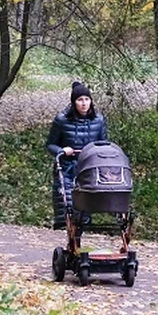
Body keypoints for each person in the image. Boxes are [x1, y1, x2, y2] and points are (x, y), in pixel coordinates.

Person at [46, 81, 108, 229]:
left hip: (88, 168)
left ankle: (80, 236)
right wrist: (62, 151)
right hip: (67, 167)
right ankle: (67, 236)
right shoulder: (61, 120)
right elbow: (50, 145)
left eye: (86, 99)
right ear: (74, 102)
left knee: (85, 205)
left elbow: (104, 144)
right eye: (80, 100)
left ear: (91, 101)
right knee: (66, 204)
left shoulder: (98, 120)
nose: (84, 103)